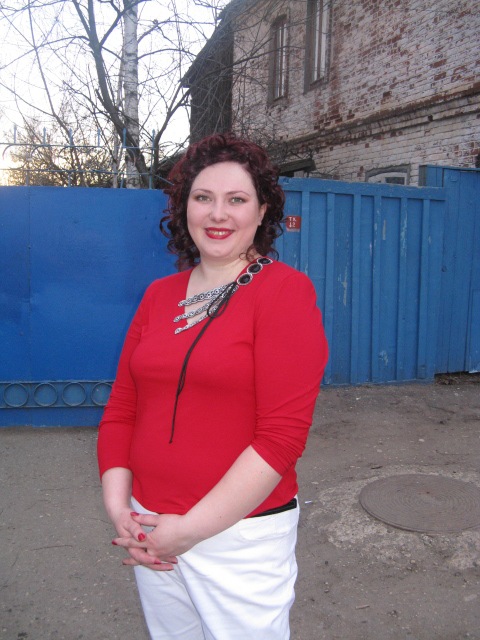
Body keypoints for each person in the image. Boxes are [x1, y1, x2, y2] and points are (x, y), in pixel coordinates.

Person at [97, 133, 328, 640]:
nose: (218, 214)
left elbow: (281, 438)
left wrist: (190, 530)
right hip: (151, 523)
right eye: (203, 197)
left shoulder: (284, 293)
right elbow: (122, 409)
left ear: (262, 211)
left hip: (239, 537)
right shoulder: (159, 296)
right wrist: (122, 511)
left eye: (236, 199)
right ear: (184, 208)